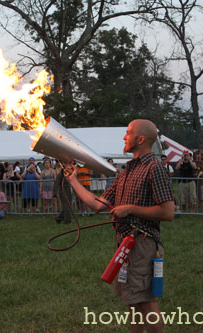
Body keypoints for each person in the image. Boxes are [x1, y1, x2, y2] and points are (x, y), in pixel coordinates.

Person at [65, 119, 174, 332]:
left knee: (146, 301)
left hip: (143, 243)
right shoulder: (126, 172)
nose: (124, 137)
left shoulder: (155, 168)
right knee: (133, 302)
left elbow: (168, 212)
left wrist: (130, 208)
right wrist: (73, 181)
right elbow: (97, 205)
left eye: (128, 133)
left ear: (140, 139)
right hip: (125, 245)